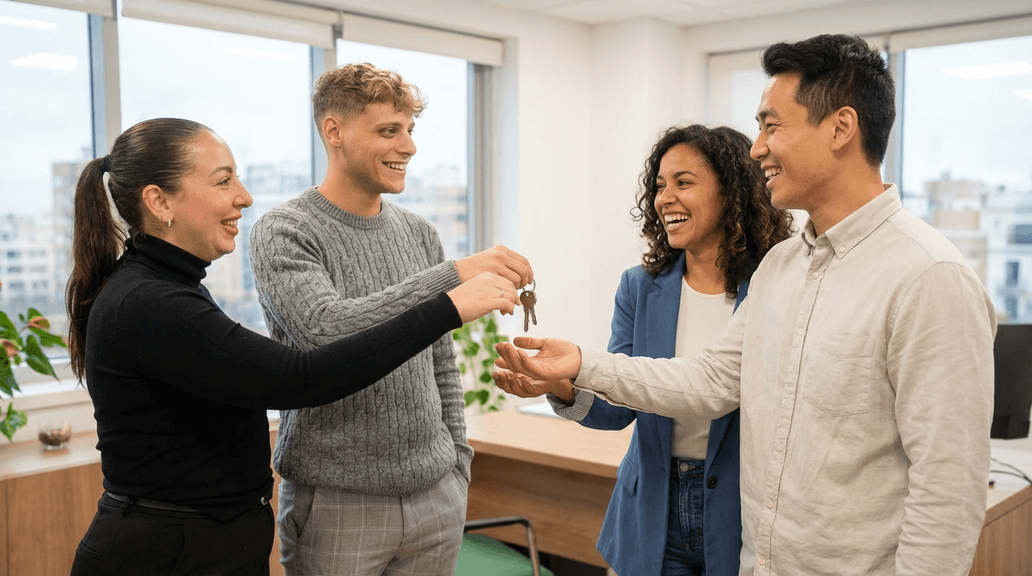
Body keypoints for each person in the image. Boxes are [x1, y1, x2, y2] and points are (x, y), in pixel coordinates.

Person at [495, 34, 996, 576]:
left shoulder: (929, 277)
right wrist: (580, 364)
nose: (757, 148)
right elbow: (711, 381)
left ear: (840, 128)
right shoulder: (783, 267)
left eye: (771, 125)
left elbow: (947, 489)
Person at [65, 117, 519, 576]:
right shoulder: (150, 302)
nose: (244, 196)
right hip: (165, 554)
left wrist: (457, 462)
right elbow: (299, 377)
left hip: (200, 544)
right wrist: (447, 305)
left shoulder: (169, 287)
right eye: (224, 181)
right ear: (159, 201)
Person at [249, 62, 533, 575]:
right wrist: (452, 280)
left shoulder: (420, 233)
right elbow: (325, 331)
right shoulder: (283, 230)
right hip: (336, 501)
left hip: (435, 497)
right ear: (333, 132)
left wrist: (457, 464)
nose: (408, 146)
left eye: (409, 130)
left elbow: (440, 361)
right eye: (388, 130)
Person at [494, 125, 792, 576]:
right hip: (653, 506)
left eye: (683, 182)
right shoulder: (640, 287)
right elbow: (619, 408)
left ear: (732, 192)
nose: (664, 198)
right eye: (659, 186)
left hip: (740, 511)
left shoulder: (775, 288)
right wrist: (563, 385)